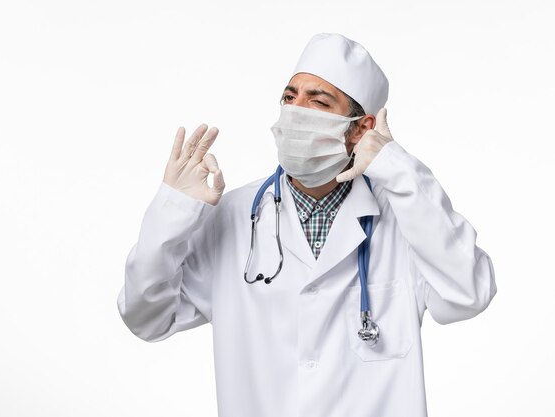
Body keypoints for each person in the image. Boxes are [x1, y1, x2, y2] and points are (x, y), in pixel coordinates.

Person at [117, 33, 497, 417]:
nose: (296, 110)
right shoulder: (232, 217)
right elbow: (147, 318)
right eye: (289, 97)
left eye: (317, 101)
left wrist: (398, 169)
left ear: (360, 129)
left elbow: (469, 292)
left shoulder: (405, 217)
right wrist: (174, 210)